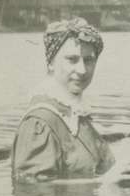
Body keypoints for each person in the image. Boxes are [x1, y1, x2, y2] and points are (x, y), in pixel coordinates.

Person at [12, 17, 115, 181]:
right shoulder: (40, 122)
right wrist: (101, 183)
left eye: (89, 60)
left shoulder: (75, 113)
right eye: (72, 60)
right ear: (51, 63)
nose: (82, 70)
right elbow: (32, 191)